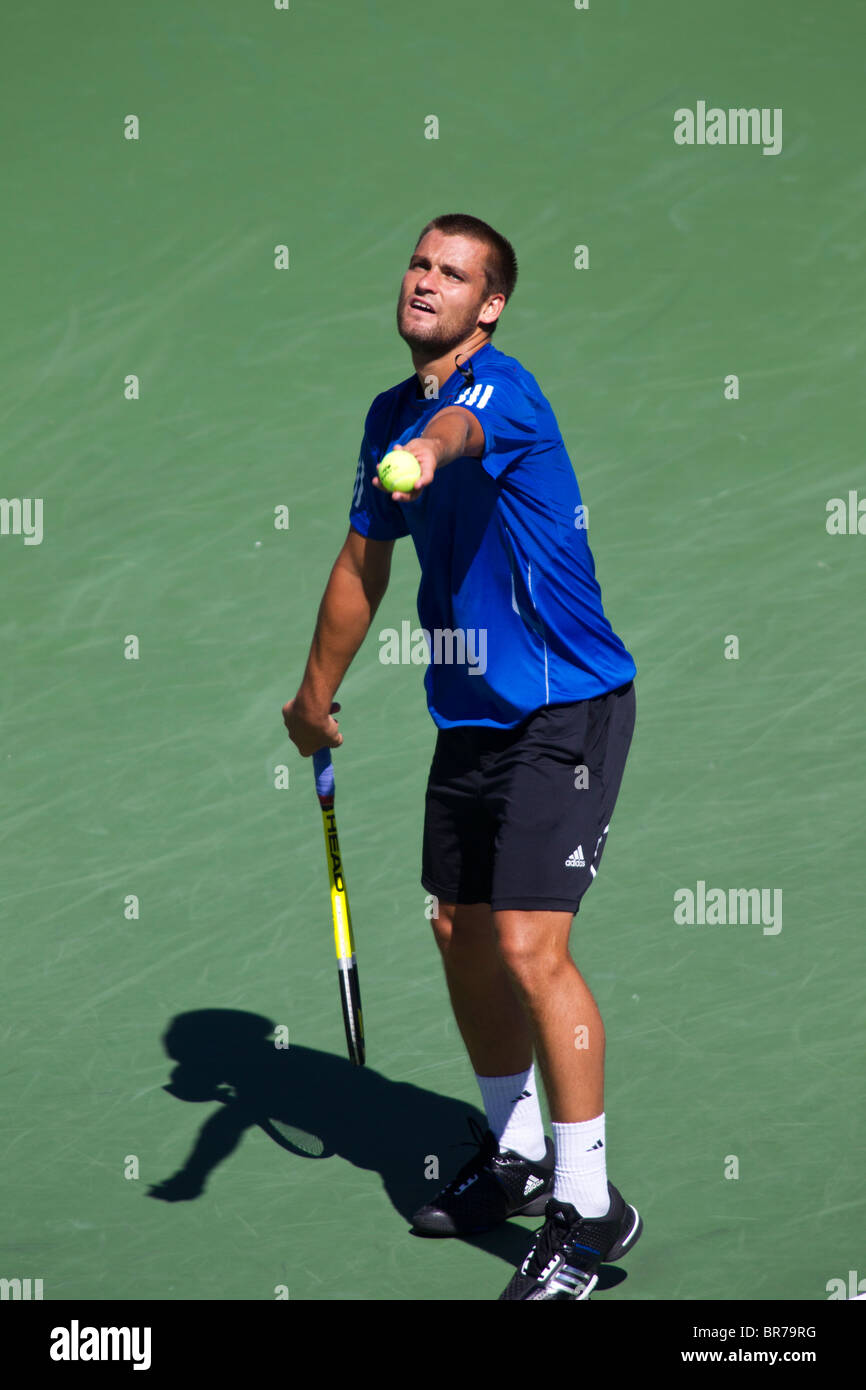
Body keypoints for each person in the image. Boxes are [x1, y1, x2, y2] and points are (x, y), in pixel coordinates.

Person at [283, 213, 642, 1300]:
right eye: (417, 264)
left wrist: (421, 452)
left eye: (452, 273)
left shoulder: (496, 395)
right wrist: (311, 695)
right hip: (471, 715)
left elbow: (451, 444)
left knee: (533, 946)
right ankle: (519, 1151)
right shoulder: (386, 412)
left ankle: (587, 1215)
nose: (424, 282)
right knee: (459, 928)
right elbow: (361, 564)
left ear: (489, 305)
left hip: (565, 709)